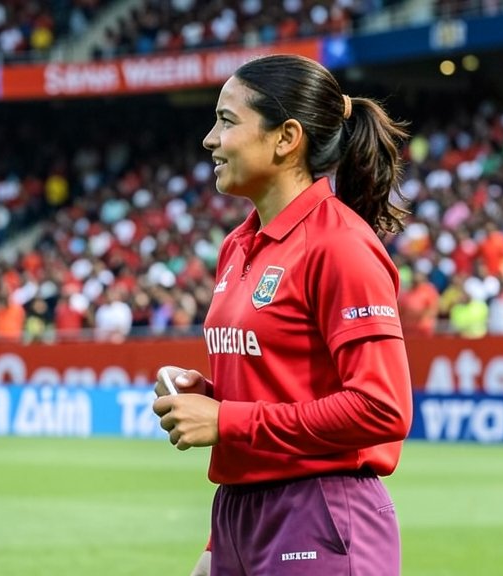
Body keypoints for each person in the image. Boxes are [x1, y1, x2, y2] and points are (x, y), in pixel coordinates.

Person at [153, 54, 413, 576]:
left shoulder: (340, 246)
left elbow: (384, 409)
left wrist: (228, 419)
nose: (209, 139)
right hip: (239, 514)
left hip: (322, 514)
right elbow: (280, 392)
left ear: (285, 137)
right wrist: (212, 398)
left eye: (226, 121)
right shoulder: (236, 246)